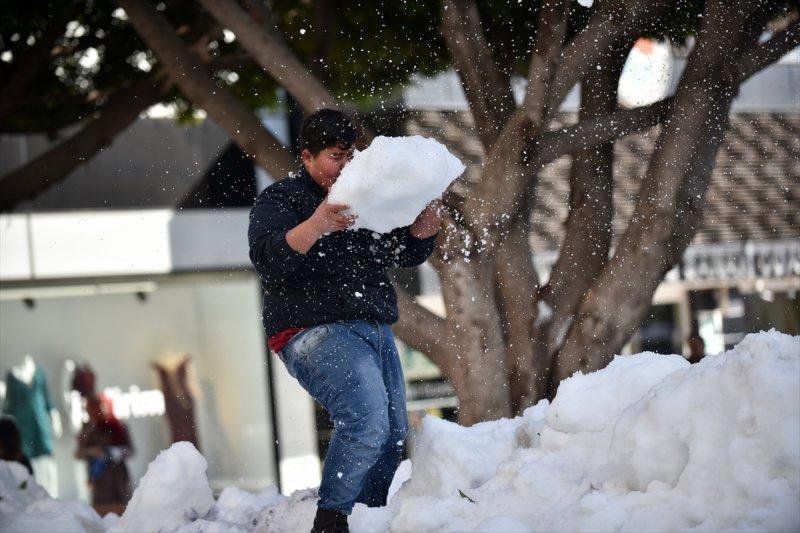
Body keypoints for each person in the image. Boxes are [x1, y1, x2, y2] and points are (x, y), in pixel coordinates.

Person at [248, 109, 442, 533]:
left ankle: (365, 519)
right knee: (366, 418)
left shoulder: (366, 197)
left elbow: (398, 252)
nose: (346, 166)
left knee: (390, 435)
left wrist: (422, 234)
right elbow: (268, 260)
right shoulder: (280, 200)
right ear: (307, 157)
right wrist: (317, 223)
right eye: (336, 156)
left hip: (372, 325)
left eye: (353, 156)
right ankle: (331, 519)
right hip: (312, 328)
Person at [75, 395, 134, 516]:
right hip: (100, 483)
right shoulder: (87, 429)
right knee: (103, 516)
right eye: (92, 409)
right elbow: (78, 453)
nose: (97, 412)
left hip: (119, 479)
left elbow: (130, 450)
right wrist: (92, 451)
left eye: (99, 408)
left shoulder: (118, 427)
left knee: (125, 514)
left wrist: (115, 451)